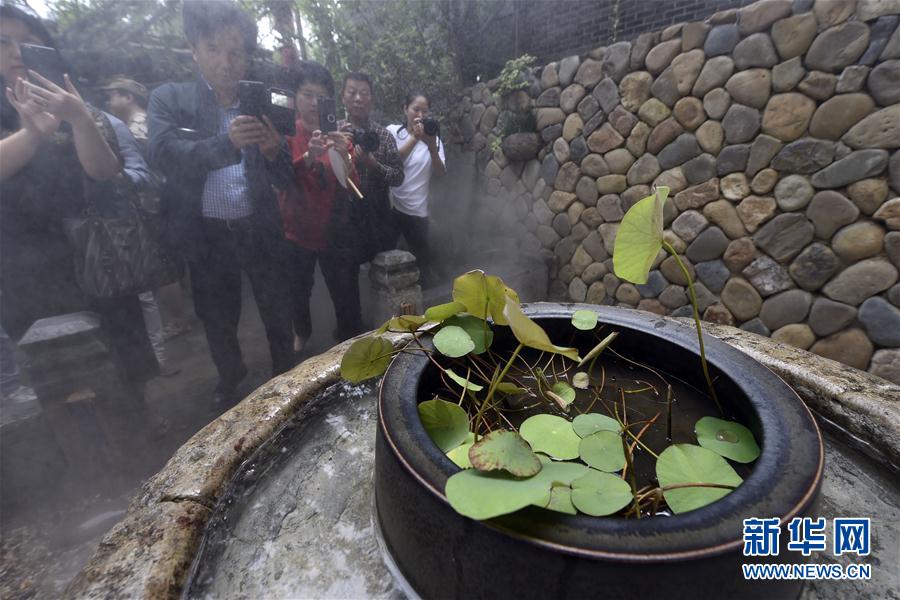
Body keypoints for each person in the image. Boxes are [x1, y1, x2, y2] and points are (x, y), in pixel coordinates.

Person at [0, 3, 157, 385]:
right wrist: (32, 135)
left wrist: (78, 117)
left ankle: (139, 422)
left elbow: (105, 171)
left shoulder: (71, 98)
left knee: (124, 356)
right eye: (4, 43)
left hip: (97, 251)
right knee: (63, 375)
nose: (16, 53)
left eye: (28, 43)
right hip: (28, 267)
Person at [147, 0, 295, 404]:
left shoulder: (262, 103)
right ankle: (231, 378)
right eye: (214, 49)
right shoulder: (172, 100)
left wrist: (271, 151)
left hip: (257, 226)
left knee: (275, 306)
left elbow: (286, 175)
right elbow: (163, 154)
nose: (227, 62)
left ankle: (287, 376)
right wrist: (225, 143)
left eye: (236, 52)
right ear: (194, 50)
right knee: (217, 317)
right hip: (208, 234)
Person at [276, 61, 362, 353]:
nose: (314, 103)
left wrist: (345, 156)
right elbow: (281, 180)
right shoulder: (285, 133)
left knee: (345, 293)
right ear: (295, 97)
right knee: (298, 290)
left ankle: (350, 343)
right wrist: (308, 158)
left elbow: (352, 183)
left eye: (321, 96)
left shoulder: (337, 134)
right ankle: (302, 331)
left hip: (334, 232)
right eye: (307, 94)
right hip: (296, 231)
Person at [102, 77, 193, 344]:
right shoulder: (141, 123)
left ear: (128, 97)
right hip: (160, 202)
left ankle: (177, 319)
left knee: (161, 262)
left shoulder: (140, 126)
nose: (109, 101)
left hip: (154, 203)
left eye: (114, 95)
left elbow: (153, 169)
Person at [339, 72, 404, 262]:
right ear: (343, 97)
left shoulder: (383, 135)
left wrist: (374, 165)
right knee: (347, 274)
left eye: (364, 93)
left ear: (372, 99)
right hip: (345, 213)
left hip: (379, 213)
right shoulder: (335, 131)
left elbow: (399, 176)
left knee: (386, 270)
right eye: (352, 93)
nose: (358, 98)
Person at [387, 92, 446, 285]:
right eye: (415, 109)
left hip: (418, 212)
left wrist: (431, 146)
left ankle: (424, 308)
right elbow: (392, 161)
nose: (419, 114)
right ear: (405, 109)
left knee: (422, 265)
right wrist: (414, 138)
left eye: (424, 111)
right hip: (392, 209)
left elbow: (440, 173)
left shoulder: (434, 139)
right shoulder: (394, 132)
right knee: (390, 263)